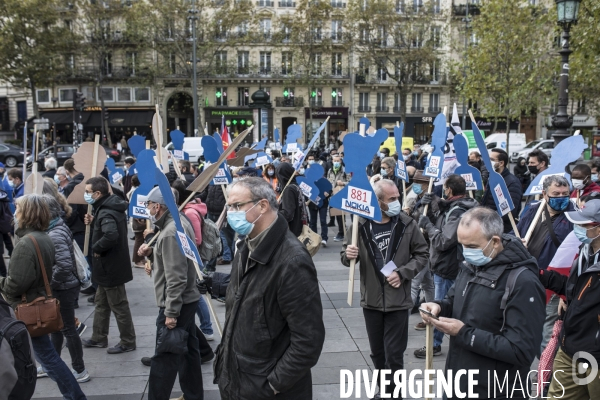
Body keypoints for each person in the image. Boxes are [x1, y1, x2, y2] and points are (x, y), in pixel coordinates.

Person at [214, 177, 325, 399]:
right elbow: (250, 296)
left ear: (262, 205)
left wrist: (272, 385)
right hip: (237, 379)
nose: (231, 213)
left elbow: (308, 341)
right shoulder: (247, 244)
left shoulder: (292, 261)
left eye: (237, 206)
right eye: (229, 207)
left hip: (266, 389)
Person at [419, 207, 545, 398]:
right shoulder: (472, 264)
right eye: (461, 245)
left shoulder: (523, 281)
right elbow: (455, 299)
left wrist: (464, 333)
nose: (464, 252)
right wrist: (439, 306)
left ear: (495, 241)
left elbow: (522, 351)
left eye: (470, 246)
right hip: (459, 382)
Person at [341, 179, 428, 397]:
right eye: (392, 198)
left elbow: (422, 254)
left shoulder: (407, 224)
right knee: (377, 353)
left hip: (398, 301)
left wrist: (403, 273)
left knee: (394, 354)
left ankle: (394, 393)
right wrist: (348, 255)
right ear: (378, 201)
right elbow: (346, 256)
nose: (398, 201)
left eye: (398, 196)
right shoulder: (359, 225)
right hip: (371, 300)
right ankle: (384, 390)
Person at [0, 194, 87, 400]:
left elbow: (15, 284)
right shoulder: (41, 236)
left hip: (27, 306)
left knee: (48, 358)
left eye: (18, 208)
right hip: (34, 302)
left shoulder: (26, 242)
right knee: (47, 356)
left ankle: (75, 396)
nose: (15, 212)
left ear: (27, 213)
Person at [136, 186, 204, 400]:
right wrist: (152, 252)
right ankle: (193, 395)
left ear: (157, 206)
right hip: (187, 299)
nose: (147, 208)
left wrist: (171, 312)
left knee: (165, 357)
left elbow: (176, 277)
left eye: (148, 204)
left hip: (177, 302)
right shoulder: (176, 222)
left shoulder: (170, 232)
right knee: (189, 352)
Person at [539, 199, 600, 399]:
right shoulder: (584, 253)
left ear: (597, 229)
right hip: (569, 348)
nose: (577, 229)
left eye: (583, 225)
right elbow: (573, 289)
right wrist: (540, 274)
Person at [413, 174, 478, 357]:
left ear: (448, 189)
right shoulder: (468, 205)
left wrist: (428, 226)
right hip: (455, 264)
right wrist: (429, 202)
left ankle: (433, 344)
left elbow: (443, 240)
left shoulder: (457, 211)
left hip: (447, 266)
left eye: (444, 188)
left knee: (439, 306)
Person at [515, 175, 573, 355]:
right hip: (530, 276)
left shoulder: (575, 217)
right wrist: (517, 242)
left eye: (565, 193)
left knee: (549, 327)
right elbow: (516, 231)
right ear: (544, 194)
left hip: (554, 281)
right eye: (556, 193)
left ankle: (545, 374)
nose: (561, 197)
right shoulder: (532, 210)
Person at [81, 177, 137, 354]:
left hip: (110, 266)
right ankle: (99, 337)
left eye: (88, 192)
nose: (86, 195)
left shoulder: (106, 211)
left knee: (119, 305)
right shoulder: (107, 207)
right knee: (101, 303)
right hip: (107, 267)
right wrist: (94, 219)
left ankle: (127, 341)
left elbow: (110, 235)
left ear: (97, 194)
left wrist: (96, 247)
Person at [38, 195, 90, 383]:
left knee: (68, 329)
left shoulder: (55, 233)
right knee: (57, 328)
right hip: (63, 286)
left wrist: (49, 286)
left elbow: (64, 266)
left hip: (63, 288)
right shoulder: (54, 228)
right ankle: (52, 364)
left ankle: (80, 370)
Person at [481, 148, 522, 233]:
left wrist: (486, 217)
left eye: (491, 160)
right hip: (489, 226)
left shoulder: (512, 182)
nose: (488, 162)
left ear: (501, 163)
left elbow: (509, 212)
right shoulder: (492, 178)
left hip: (503, 230)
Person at [200, 172, 234, 270]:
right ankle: (210, 266)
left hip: (223, 214)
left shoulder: (227, 179)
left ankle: (230, 257)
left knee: (227, 238)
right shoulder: (211, 179)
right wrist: (195, 198)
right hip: (211, 212)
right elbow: (205, 194)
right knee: (211, 239)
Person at [275, 162, 305, 237]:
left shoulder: (288, 190)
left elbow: (288, 213)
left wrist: (273, 214)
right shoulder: (295, 185)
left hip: (293, 230)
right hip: (300, 226)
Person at [327, 154, 349, 241]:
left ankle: (341, 233)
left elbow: (351, 182)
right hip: (333, 196)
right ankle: (342, 230)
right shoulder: (330, 170)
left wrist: (343, 183)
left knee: (341, 215)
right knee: (335, 214)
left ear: (341, 161)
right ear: (332, 161)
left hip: (341, 196)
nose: (336, 163)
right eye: (335, 161)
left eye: (338, 161)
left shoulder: (345, 171)